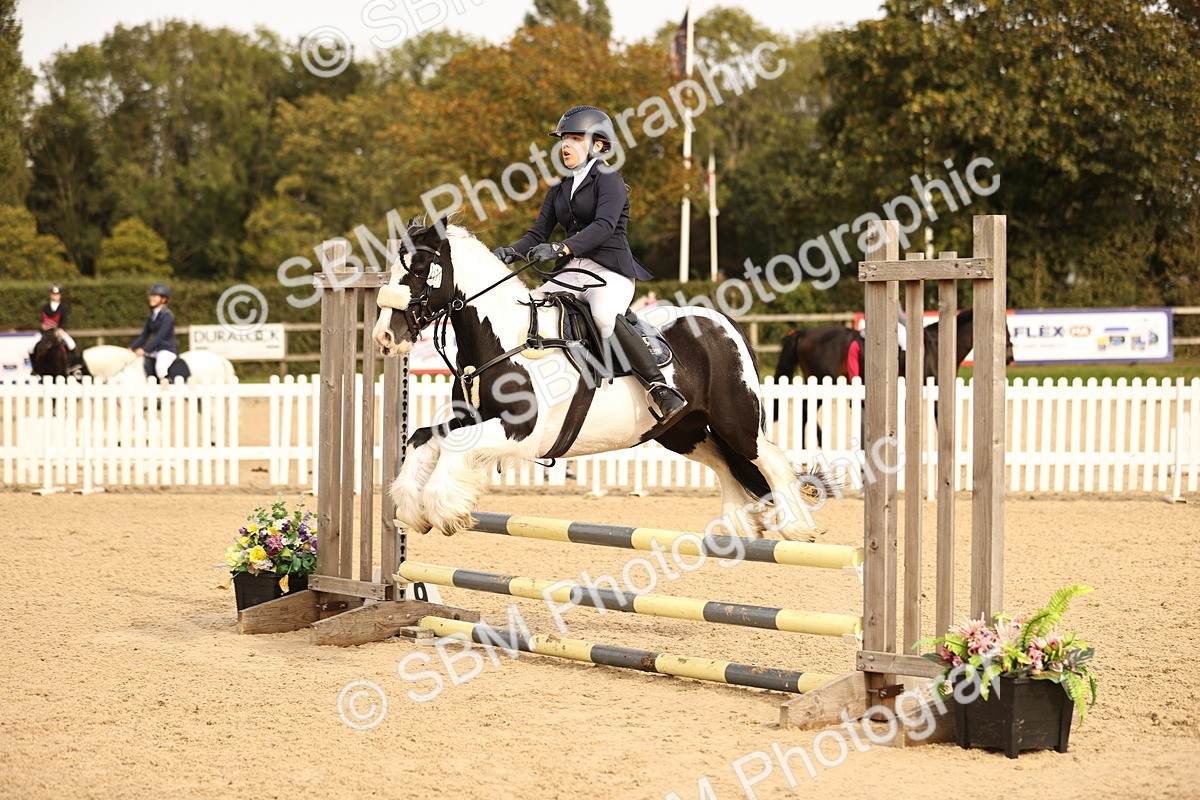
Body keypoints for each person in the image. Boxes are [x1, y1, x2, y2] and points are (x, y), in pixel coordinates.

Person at [492, 105, 687, 426]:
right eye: (563, 139)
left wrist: (561, 247)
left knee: (603, 316)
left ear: (597, 144)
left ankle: (659, 387)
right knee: (530, 308)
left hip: (610, 270)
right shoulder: (559, 189)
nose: (565, 145)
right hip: (571, 271)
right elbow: (537, 234)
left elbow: (604, 226)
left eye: (575, 138)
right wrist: (507, 252)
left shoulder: (609, 180)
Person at [130, 283, 179, 379]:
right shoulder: (152, 315)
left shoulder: (168, 316)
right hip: (155, 350)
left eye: (155, 296)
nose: (151, 298)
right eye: (151, 296)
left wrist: (144, 349)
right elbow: (144, 335)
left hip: (167, 349)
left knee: (161, 368)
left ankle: (168, 385)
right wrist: (131, 348)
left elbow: (160, 336)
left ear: (163, 299)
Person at [39, 283, 85, 377]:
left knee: (71, 344)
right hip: (47, 332)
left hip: (59, 331)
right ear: (50, 295)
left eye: (57, 294)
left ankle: (71, 365)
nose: (55, 296)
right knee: (34, 346)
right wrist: (44, 328)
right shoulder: (45, 308)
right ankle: (36, 367)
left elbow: (64, 321)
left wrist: (61, 329)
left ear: (60, 295)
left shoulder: (63, 308)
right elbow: (43, 321)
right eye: (53, 294)